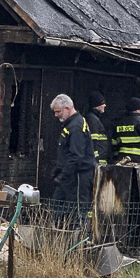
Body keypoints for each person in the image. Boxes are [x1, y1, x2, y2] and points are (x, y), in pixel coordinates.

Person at [51, 94, 97, 222]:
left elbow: (76, 155)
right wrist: (58, 170)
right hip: (70, 175)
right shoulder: (71, 124)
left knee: (78, 210)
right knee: (58, 206)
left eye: (58, 111)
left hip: (78, 175)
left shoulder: (76, 126)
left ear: (67, 108)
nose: (56, 115)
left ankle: (80, 237)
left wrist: (63, 174)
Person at [85, 91, 110, 164]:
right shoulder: (92, 119)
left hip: (100, 160)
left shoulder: (95, 118)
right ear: (96, 105)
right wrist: (95, 160)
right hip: (97, 162)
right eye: (102, 103)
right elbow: (93, 141)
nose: (105, 105)